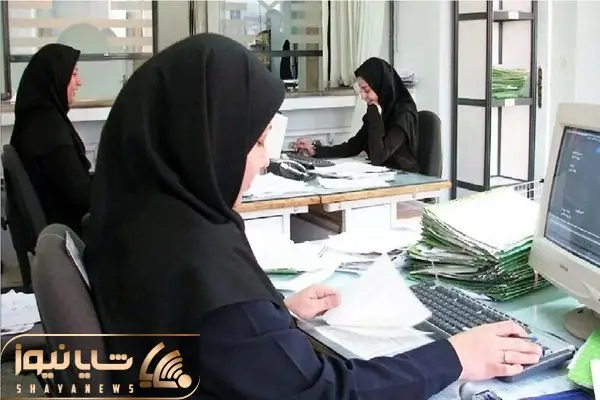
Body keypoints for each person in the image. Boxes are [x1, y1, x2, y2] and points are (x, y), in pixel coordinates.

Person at [83, 34, 542, 399]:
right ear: (202, 142)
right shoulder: (203, 272)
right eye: (256, 141)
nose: (265, 159)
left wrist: (275, 314)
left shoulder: (138, 223)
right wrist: (455, 356)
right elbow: (327, 392)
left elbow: (212, 339)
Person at [10, 43, 91, 235]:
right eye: (73, 74)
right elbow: (81, 197)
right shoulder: (50, 133)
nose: (79, 82)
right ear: (56, 78)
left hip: (58, 227)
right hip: (71, 232)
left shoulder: (37, 120)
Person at [295, 57, 420, 172]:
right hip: (383, 176)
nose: (363, 96)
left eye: (366, 90)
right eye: (361, 90)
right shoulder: (379, 110)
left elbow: (378, 157)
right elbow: (353, 146)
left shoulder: (404, 115)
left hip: (405, 179)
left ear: (382, 86)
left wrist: (375, 115)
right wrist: (315, 150)